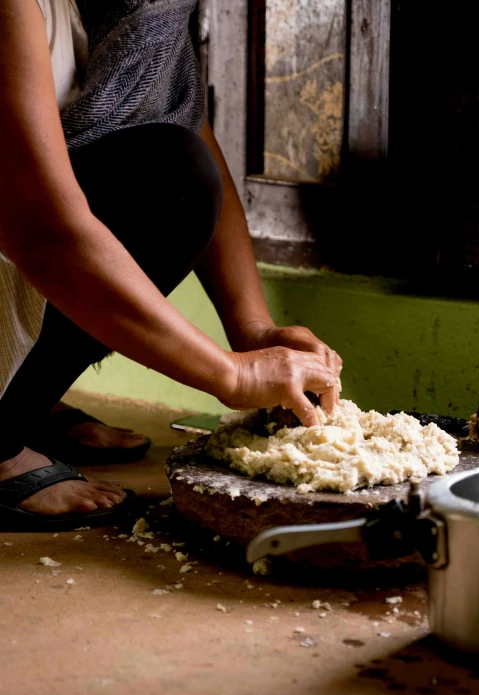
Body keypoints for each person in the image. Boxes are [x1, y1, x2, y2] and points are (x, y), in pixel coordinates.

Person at [0, 0, 342, 528]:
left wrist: (254, 330)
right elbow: (43, 230)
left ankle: (24, 402)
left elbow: (184, 131)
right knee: (165, 177)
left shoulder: (127, 8)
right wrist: (231, 375)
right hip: (31, 229)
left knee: (171, 168)